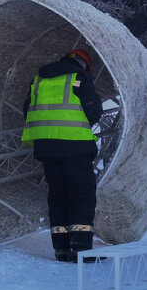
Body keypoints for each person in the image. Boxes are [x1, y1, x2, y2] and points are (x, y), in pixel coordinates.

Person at [21, 49, 103, 263]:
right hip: (75, 146)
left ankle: (61, 249)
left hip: (47, 148)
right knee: (82, 195)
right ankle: (82, 248)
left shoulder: (39, 79)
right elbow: (94, 110)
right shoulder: (79, 77)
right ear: (84, 64)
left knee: (58, 197)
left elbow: (26, 109)